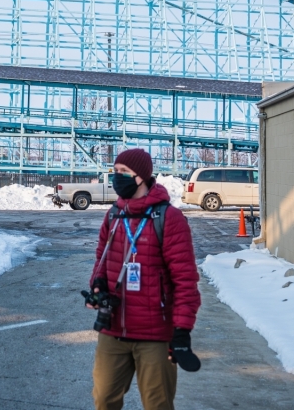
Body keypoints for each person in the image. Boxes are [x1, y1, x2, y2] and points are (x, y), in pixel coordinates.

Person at [87, 148, 201, 410]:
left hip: (155, 334)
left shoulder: (169, 218)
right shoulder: (114, 215)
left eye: (123, 172)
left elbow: (185, 280)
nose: (117, 178)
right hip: (113, 329)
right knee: (104, 400)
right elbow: (101, 261)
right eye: (115, 172)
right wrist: (97, 285)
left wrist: (181, 331)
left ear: (141, 177)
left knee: (157, 404)